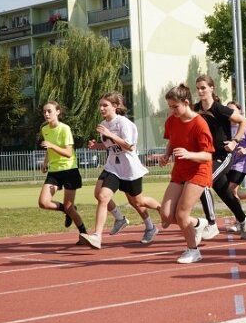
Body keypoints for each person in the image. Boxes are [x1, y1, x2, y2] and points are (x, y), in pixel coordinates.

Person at [79, 92, 162, 249]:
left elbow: (129, 146)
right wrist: (96, 145)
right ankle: (98, 235)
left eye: (105, 105)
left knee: (137, 201)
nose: (101, 108)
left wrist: (109, 134)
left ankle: (154, 219)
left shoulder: (124, 123)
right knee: (102, 196)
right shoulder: (104, 123)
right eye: (100, 105)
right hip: (113, 167)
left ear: (115, 106)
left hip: (129, 168)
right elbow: (109, 145)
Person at [157, 84, 213, 263]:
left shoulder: (199, 124)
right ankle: (198, 223)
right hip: (180, 171)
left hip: (199, 171)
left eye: (175, 106)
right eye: (170, 106)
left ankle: (193, 250)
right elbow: (172, 141)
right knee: (166, 216)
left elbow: (207, 155)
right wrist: (166, 155)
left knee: (181, 215)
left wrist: (190, 154)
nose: (172, 110)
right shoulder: (172, 121)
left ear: (186, 102)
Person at [193, 75, 246, 239]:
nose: (200, 91)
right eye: (198, 88)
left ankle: (211, 224)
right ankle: (244, 218)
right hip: (206, 156)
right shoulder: (196, 109)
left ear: (212, 88)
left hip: (222, 156)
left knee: (202, 183)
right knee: (224, 192)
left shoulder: (219, 109)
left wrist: (235, 141)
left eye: (203, 87)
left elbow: (244, 121)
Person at [36, 101, 87, 241]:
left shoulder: (65, 129)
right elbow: (48, 150)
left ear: (57, 112)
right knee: (43, 202)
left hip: (69, 170)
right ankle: (67, 209)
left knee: (70, 207)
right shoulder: (45, 129)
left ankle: (84, 234)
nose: (46, 114)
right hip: (54, 171)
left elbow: (68, 153)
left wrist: (51, 145)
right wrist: (45, 163)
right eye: (44, 111)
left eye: (49, 111)